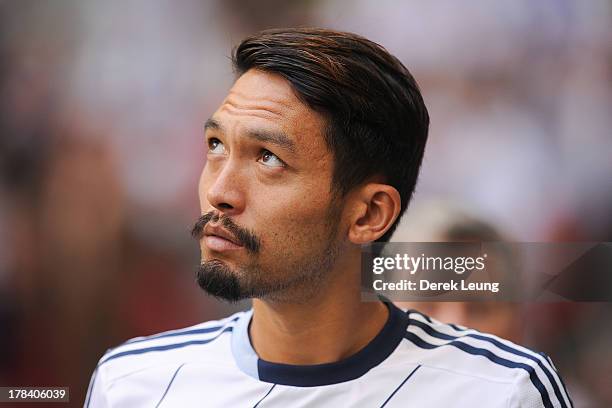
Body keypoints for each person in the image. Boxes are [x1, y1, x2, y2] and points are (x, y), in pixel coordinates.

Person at [85, 28, 571, 407]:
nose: (218, 191)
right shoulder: (131, 385)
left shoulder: (504, 391)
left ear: (368, 214)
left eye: (268, 157)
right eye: (216, 146)